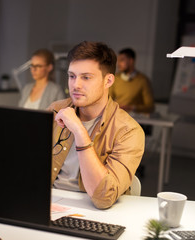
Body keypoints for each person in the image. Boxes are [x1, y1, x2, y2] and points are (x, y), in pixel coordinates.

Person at [48, 41, 145, 209]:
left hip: (94, 211)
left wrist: (79, 130)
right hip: (49, 204)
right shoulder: (56, 110)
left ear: (108, 81)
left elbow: (103, 198)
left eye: (86, 77)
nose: (76, 85)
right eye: (72, 76)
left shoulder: (129, 131)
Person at [110, 48, 155, 114]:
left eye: (122, 60)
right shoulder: (115, 78)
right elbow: (108, 100)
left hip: (137, 119)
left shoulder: (143, 80)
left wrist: (131, 108)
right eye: (118, 60)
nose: (118, 64)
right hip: (118, 117)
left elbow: (150, 107)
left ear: (131, 61)